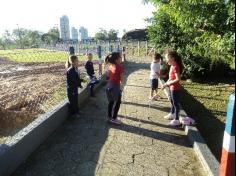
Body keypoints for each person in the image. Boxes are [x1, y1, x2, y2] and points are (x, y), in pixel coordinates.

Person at [161, 51, 184, 126]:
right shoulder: (172, 66)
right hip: (171, 87)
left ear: (173, 58)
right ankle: (172, 113)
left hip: (175, 88)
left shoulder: (176, 67)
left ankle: (177, 120)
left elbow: (178, 79)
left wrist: (168, 83)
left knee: (176, 104)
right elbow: (171, 78)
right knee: (172, 101)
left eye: (167, 58)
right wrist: (165, 84)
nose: (166, 60)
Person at [105, 52, 124, 125]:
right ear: (116, 59)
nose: (121, 58)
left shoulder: (111, 65)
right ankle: (114, 118)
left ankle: (109, 117)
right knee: (118, 102)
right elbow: (122, 80)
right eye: (120, 57)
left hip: (109, 86)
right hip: (115, 87)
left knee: (111, 102)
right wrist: (121, 88)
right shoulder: (119, 67)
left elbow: (108, 75)